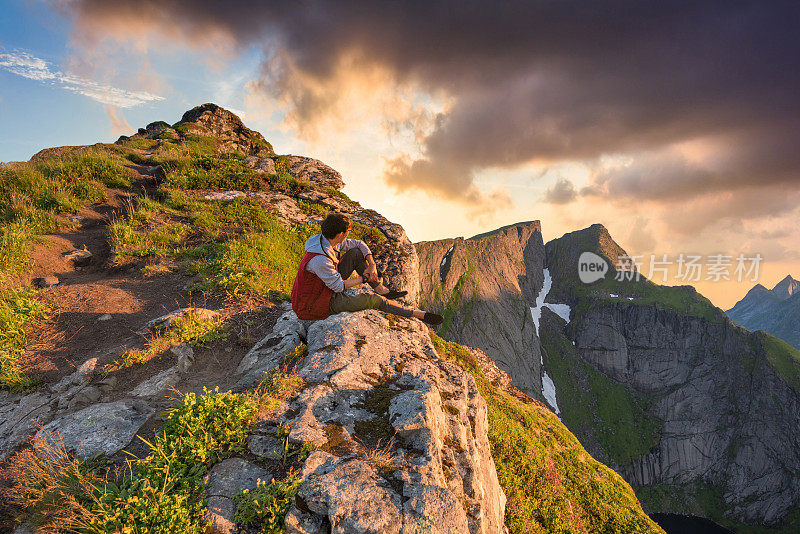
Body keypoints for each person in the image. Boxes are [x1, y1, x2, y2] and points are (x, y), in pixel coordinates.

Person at [291, 213, 443, 325]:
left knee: (356, 253)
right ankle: (417, 314)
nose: (348, 235)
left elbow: (358, 244)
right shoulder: (320, 259)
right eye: (347, 232)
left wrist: (372, 264)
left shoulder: (326, 241)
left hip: (323, 288)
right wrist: (363, 279)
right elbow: (338, 286)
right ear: (339, 234)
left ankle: (380, 288)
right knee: (373, 300)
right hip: (314, 305)